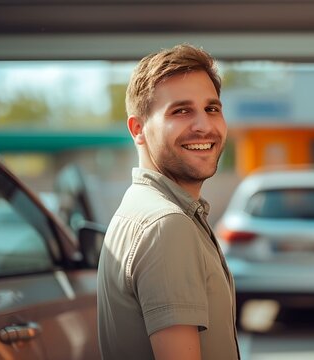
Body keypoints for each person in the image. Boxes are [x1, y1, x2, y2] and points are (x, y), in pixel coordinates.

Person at [97, 44, 240, 360]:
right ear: (138, 130)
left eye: (212, 109)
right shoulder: (167, 225)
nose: (204, 125)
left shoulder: (138, 208)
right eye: (182, 110)